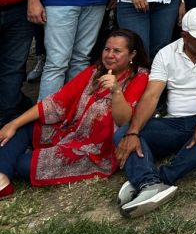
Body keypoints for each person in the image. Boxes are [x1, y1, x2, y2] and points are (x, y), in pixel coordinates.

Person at [113, 8, 196, 218]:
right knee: (123, 133)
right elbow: (152, 96)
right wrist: (133, 132)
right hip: (174, 124)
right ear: (184, 36)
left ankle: (159, 180)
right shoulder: (166, 53)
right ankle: (148, 183)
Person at [0, 29, 149, 199]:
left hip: (95, 150)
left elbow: (124, 121)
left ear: (132, 54)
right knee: (19, 123)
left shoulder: (140, 77)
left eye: (117, 51)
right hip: (70, 132)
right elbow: (56, 102)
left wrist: (116, 91)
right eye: (107, 49)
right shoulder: (95, 71)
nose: (109, 55)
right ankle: (2, 180)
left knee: (25, 165)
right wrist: (12, 125)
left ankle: (14, 156)